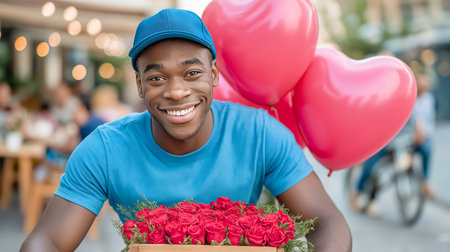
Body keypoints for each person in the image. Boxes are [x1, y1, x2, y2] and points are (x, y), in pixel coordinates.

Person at [21, 9, 352, 252]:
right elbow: (47, 240)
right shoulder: (104, 149)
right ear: (139, 84)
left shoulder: (260, 134)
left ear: (214, 74)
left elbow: (327, 222)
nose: (176, 92)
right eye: (156, 78)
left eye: (191, 73)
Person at [352, 73, 437, 214]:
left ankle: (425, 182)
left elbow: (427, 121)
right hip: (388, 138)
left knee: (427, 147)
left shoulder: (428, 99)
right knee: (372, 167)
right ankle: (359, 192)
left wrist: (422, 133)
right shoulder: (395, 97)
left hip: (410, 139)